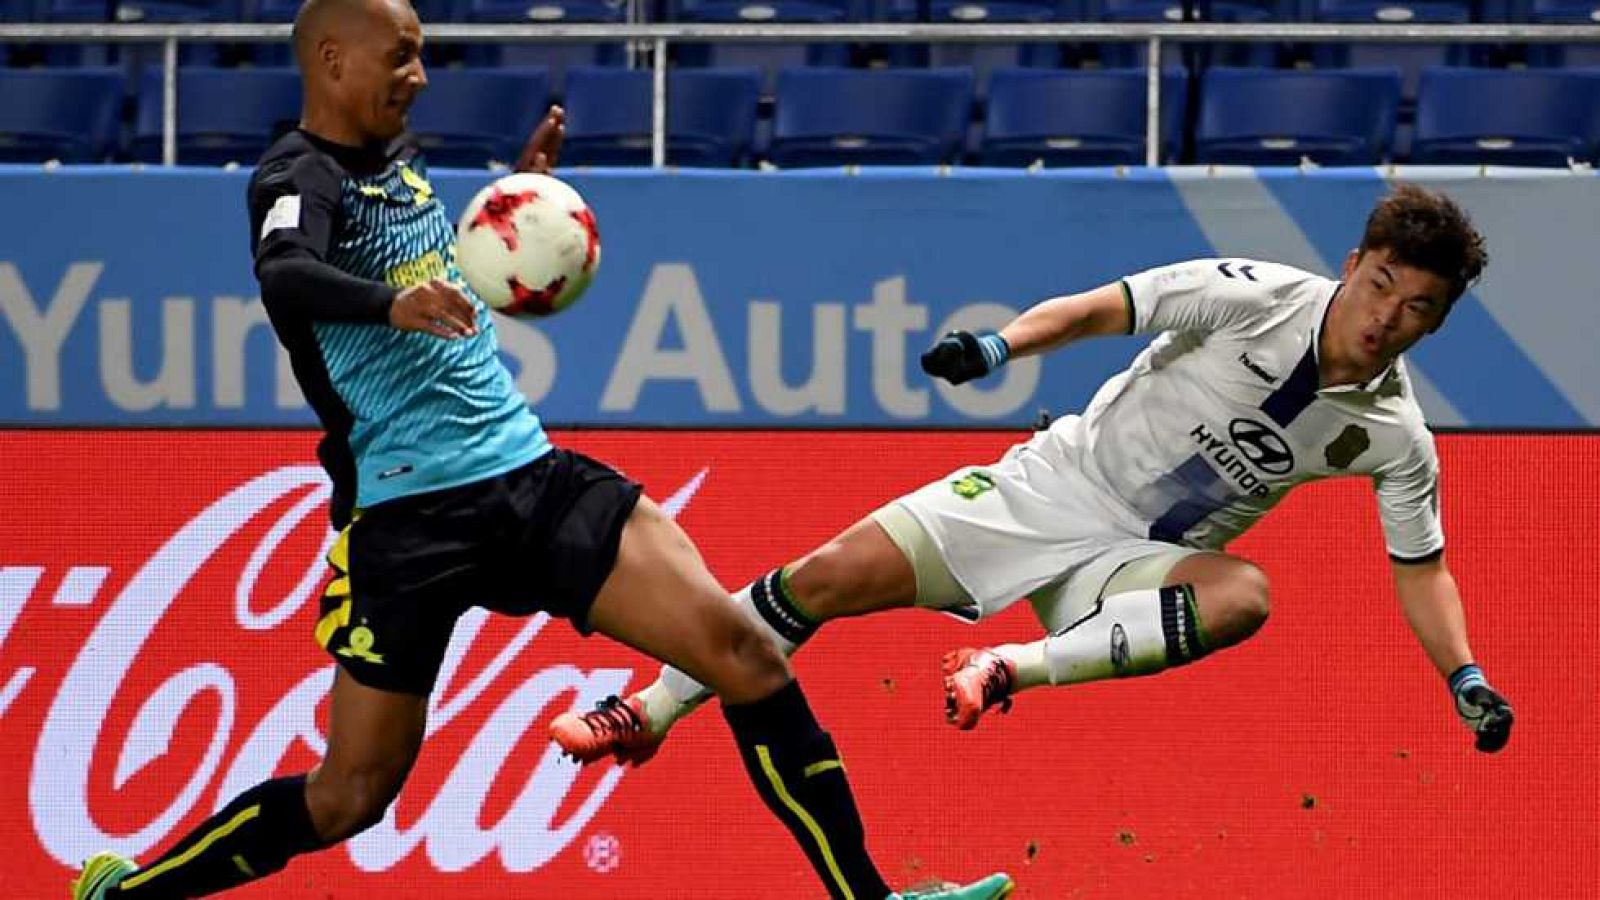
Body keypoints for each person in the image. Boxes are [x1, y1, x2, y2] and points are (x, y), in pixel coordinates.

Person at [67, 1, 1012, 898]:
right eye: (401, 53)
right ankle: (133, 889)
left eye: (420, 51)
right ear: (331, 58)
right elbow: (287, 272)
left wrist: (512, 207)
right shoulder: (294, 176)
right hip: (407, 519)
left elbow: (429, 283)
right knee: (351, 793)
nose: (420, 75)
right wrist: (391, 305)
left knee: (747, 654)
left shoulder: (397, 156)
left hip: (528, 476)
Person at [553, 183, 1515, 771]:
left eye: (1418, 307)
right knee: (828, 577)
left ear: (1436, 323)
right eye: (1381, 284)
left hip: (1138, 564)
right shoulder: (1251, 296)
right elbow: (1102, 310)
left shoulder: (1395, 436)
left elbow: (1421, 566)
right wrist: (998, 344)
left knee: (1244, 594)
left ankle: (1006, 669)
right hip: (1049, 487)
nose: (1386, 316)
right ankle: (648, 709)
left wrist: (1462, 673)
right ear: (1354, 265)